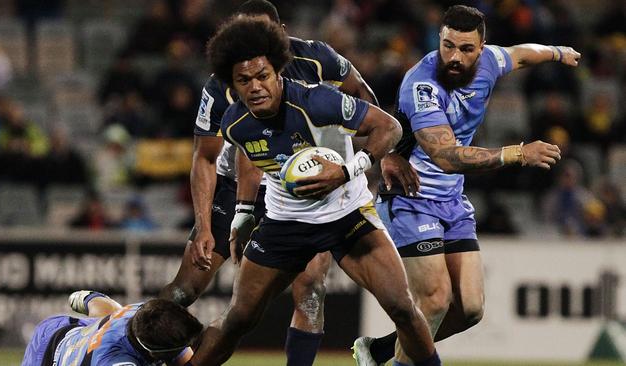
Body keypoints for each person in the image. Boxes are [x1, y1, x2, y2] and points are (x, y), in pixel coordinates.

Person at [159, 2, 417, 366]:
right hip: (235, 189)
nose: (254, 47)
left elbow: (364, 97)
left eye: (264, 35)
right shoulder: (222, 85)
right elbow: (207, 156)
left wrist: (370, 158)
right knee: (186, 290)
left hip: (305, 189)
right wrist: (209, 221)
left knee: (310, 288)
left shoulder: (315, 57)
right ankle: (129, 345)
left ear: (280, 32)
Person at [353, 5, 579, 366]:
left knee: (471, 309)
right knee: (436, 301)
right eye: (447, 46)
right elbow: (443, 155)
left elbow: (520, 55)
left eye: (466, 49)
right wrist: (516, 154)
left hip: (452, 201)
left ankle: (380, 350)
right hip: (412, 199)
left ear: (482, 46)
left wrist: (557, 52)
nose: (454, 57)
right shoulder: (422, 83)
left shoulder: (491, 61)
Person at [21, 290, 203, 366]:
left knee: (107, 312)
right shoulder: (115, 361)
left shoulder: (148, 315)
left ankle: (87, 298)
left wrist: (85, 299)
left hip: (75, 330)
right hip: (46, 355)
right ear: (155, 353)